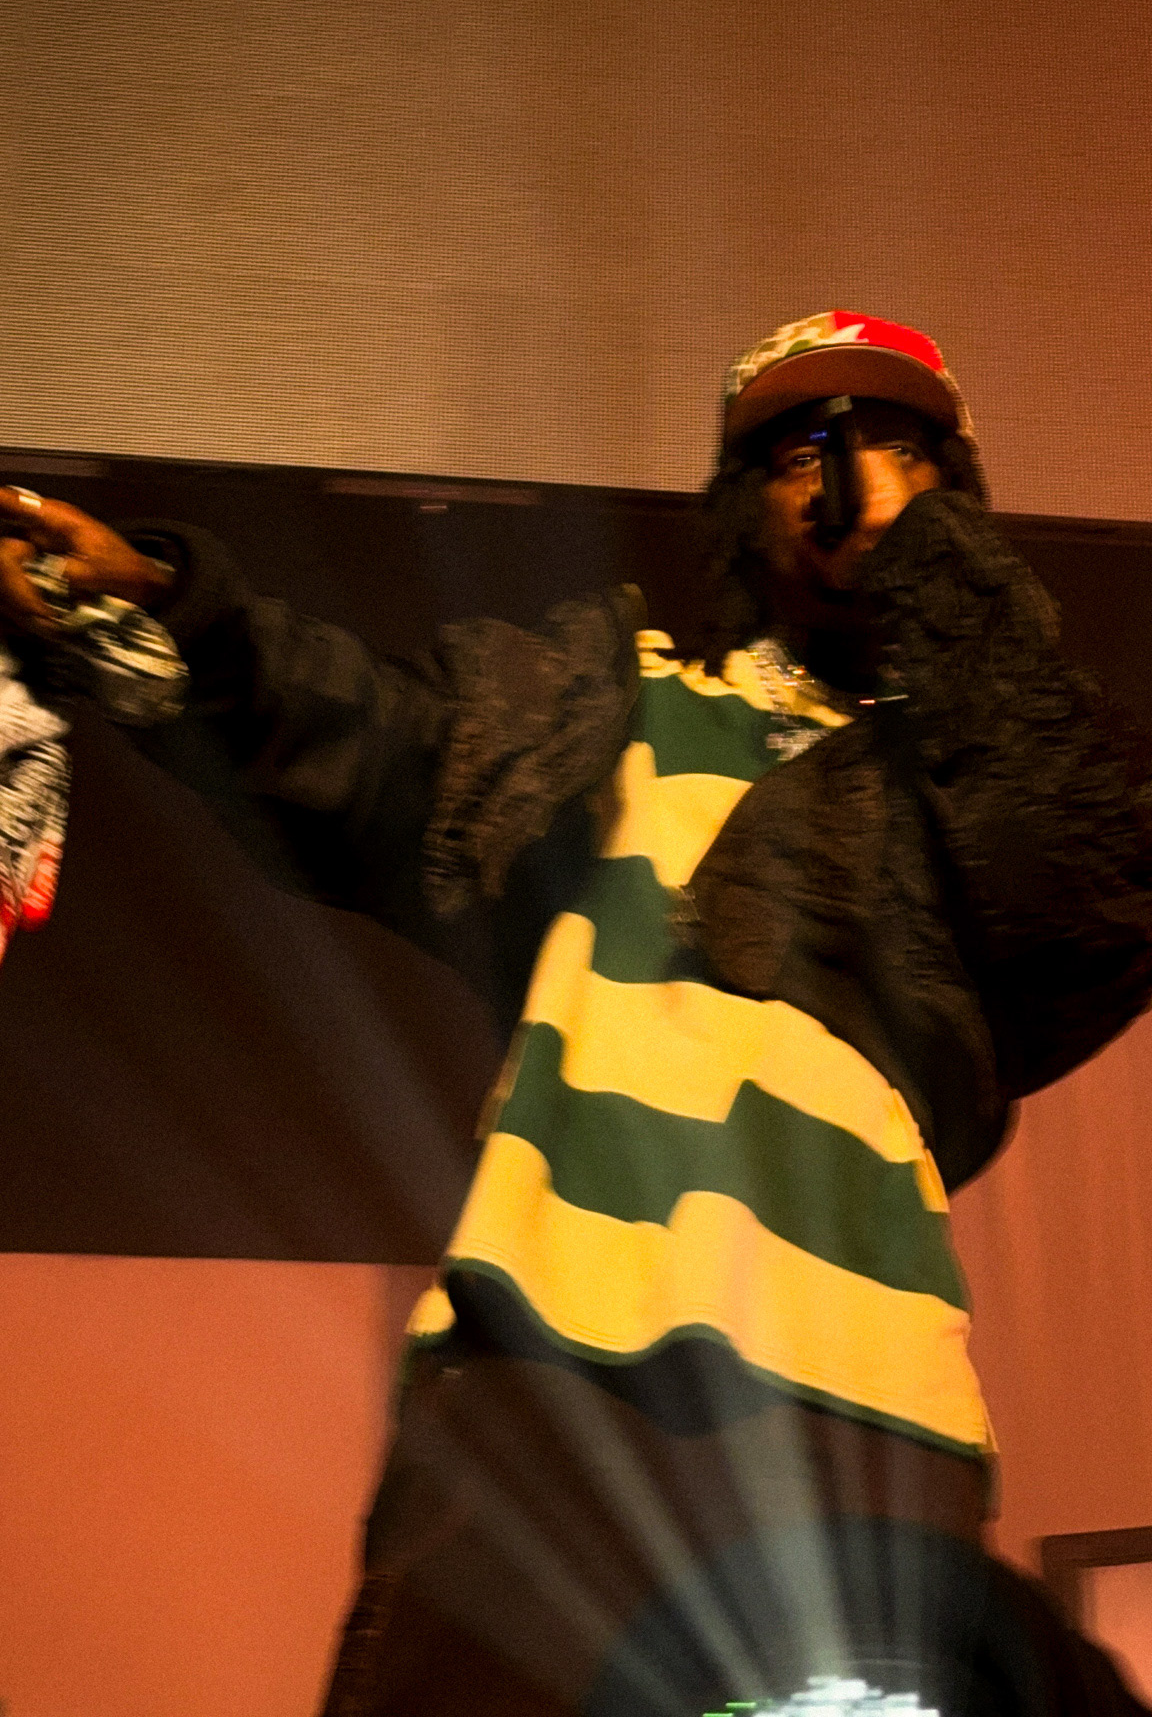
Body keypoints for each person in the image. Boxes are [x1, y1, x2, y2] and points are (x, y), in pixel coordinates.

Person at [2, 312, 1151, 1717]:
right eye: (804, 451)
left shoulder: (971, 794)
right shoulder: (606, 709)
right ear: (741, 506)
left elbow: (1087, 893)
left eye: (901, 451)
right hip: (543, 1364)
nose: (850, 479)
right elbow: (357, 731)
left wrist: (937, 573)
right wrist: (163, 603)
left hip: (863, 1396)